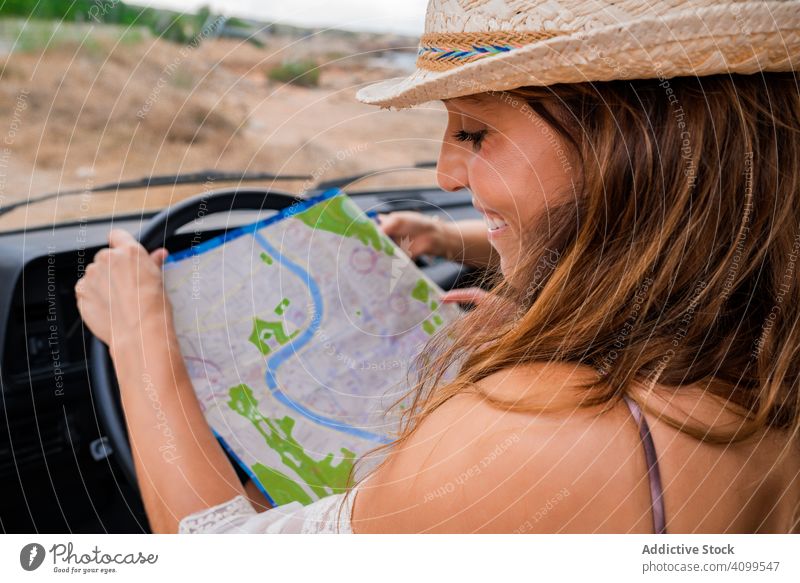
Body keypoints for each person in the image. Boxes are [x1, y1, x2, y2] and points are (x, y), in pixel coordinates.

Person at [76, 0, 800, 533]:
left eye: (475, 131)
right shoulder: (765, 341)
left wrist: (142, 343)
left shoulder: (536, 438)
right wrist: (460, 246)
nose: (445, 170)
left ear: (634, 147)